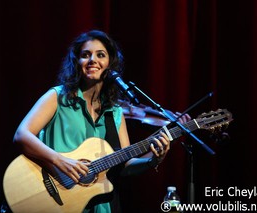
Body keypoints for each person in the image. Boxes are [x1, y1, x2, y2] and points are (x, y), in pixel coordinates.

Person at [12, 30, 191, 213]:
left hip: (100, 207)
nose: (92, 60)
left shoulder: (115, 112)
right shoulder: (57, 97)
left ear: (110, 64)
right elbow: (21, 135)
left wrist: (153, 160)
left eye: (100, 55)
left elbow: (126, 165)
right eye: (85, 55)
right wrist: (60, 161)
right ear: (76, 62)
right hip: (52, 199)